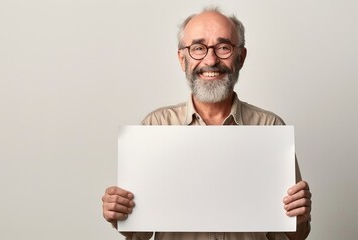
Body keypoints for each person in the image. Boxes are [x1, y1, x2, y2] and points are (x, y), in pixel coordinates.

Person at [102, 6, 312, 240]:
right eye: (198, 48)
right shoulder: (155, 126)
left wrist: (300, 217)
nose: (211, 60)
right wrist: (120, 214)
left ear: (240, 57)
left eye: (223, 47)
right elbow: (138, 234)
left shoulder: (271, 127)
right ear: (182, 59)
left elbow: (293, 236)